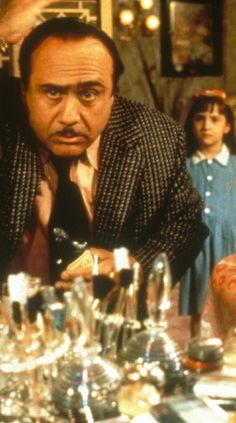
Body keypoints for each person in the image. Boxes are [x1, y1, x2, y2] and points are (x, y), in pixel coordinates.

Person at [0, 1, 208, 316]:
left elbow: (184, 223)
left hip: (110, 322)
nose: (69, 117)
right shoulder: (6, 121)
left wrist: (132, 268)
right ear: (24, 93)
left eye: (89, 93)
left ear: (113, 96)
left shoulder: (155, 138)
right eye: (52, 93)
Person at [180, 89, 236, 335]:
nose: (206, 125)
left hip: (230, 247)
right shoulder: (184, 167)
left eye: (215, 119)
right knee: (199, 309)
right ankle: (201, 357)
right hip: (197, 248)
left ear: (227, 126)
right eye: (199, 118)